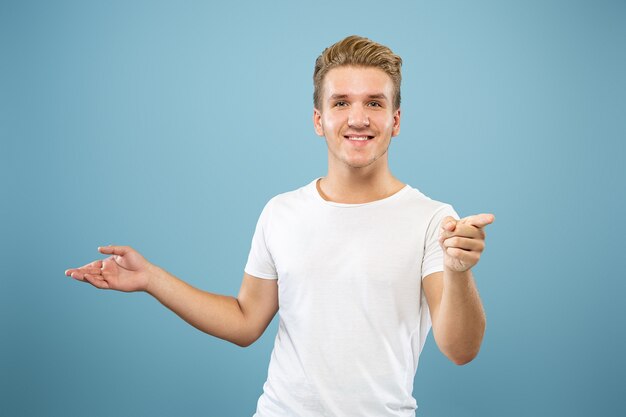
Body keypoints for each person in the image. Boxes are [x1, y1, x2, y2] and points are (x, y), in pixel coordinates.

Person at [65, 35, 495, 417]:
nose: (358, 118)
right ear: (318, 119)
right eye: (341, 102)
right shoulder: (281, 212)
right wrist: (150, 279)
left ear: (396, 120)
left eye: (375, 103)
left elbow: (460, 350)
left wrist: (459, 273)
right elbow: (245, 321)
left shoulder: (434, 220)